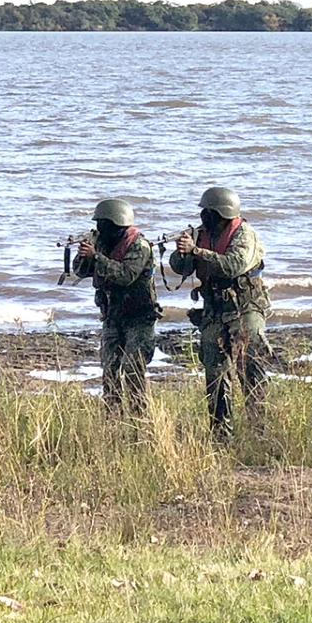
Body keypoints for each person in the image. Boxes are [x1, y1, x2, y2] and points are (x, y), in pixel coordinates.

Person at [169, 187, 271, 440]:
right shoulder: (201, 235)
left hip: (244, 308)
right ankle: (220, 435)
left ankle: (260, 432)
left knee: (250, 369)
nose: (204, 216)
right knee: (215, 374)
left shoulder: (244, 234)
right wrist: (181, 252)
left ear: (223, 213)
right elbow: (180, 268)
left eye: (209, 211)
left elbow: (233, 265)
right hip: (214, 310)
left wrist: (197, 251)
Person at [73, 198, 159, 415]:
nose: (99, 228)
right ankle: (112, 419)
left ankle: (141, 420)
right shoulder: (101, 243)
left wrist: (96, 257)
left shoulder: (139, 246)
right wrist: (84, 255)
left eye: (103, 224)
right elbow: (80, 271)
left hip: (139, 317)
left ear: (117, 224)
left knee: (133, 370)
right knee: (110, 369)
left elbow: (126, 275)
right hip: (113, 316)